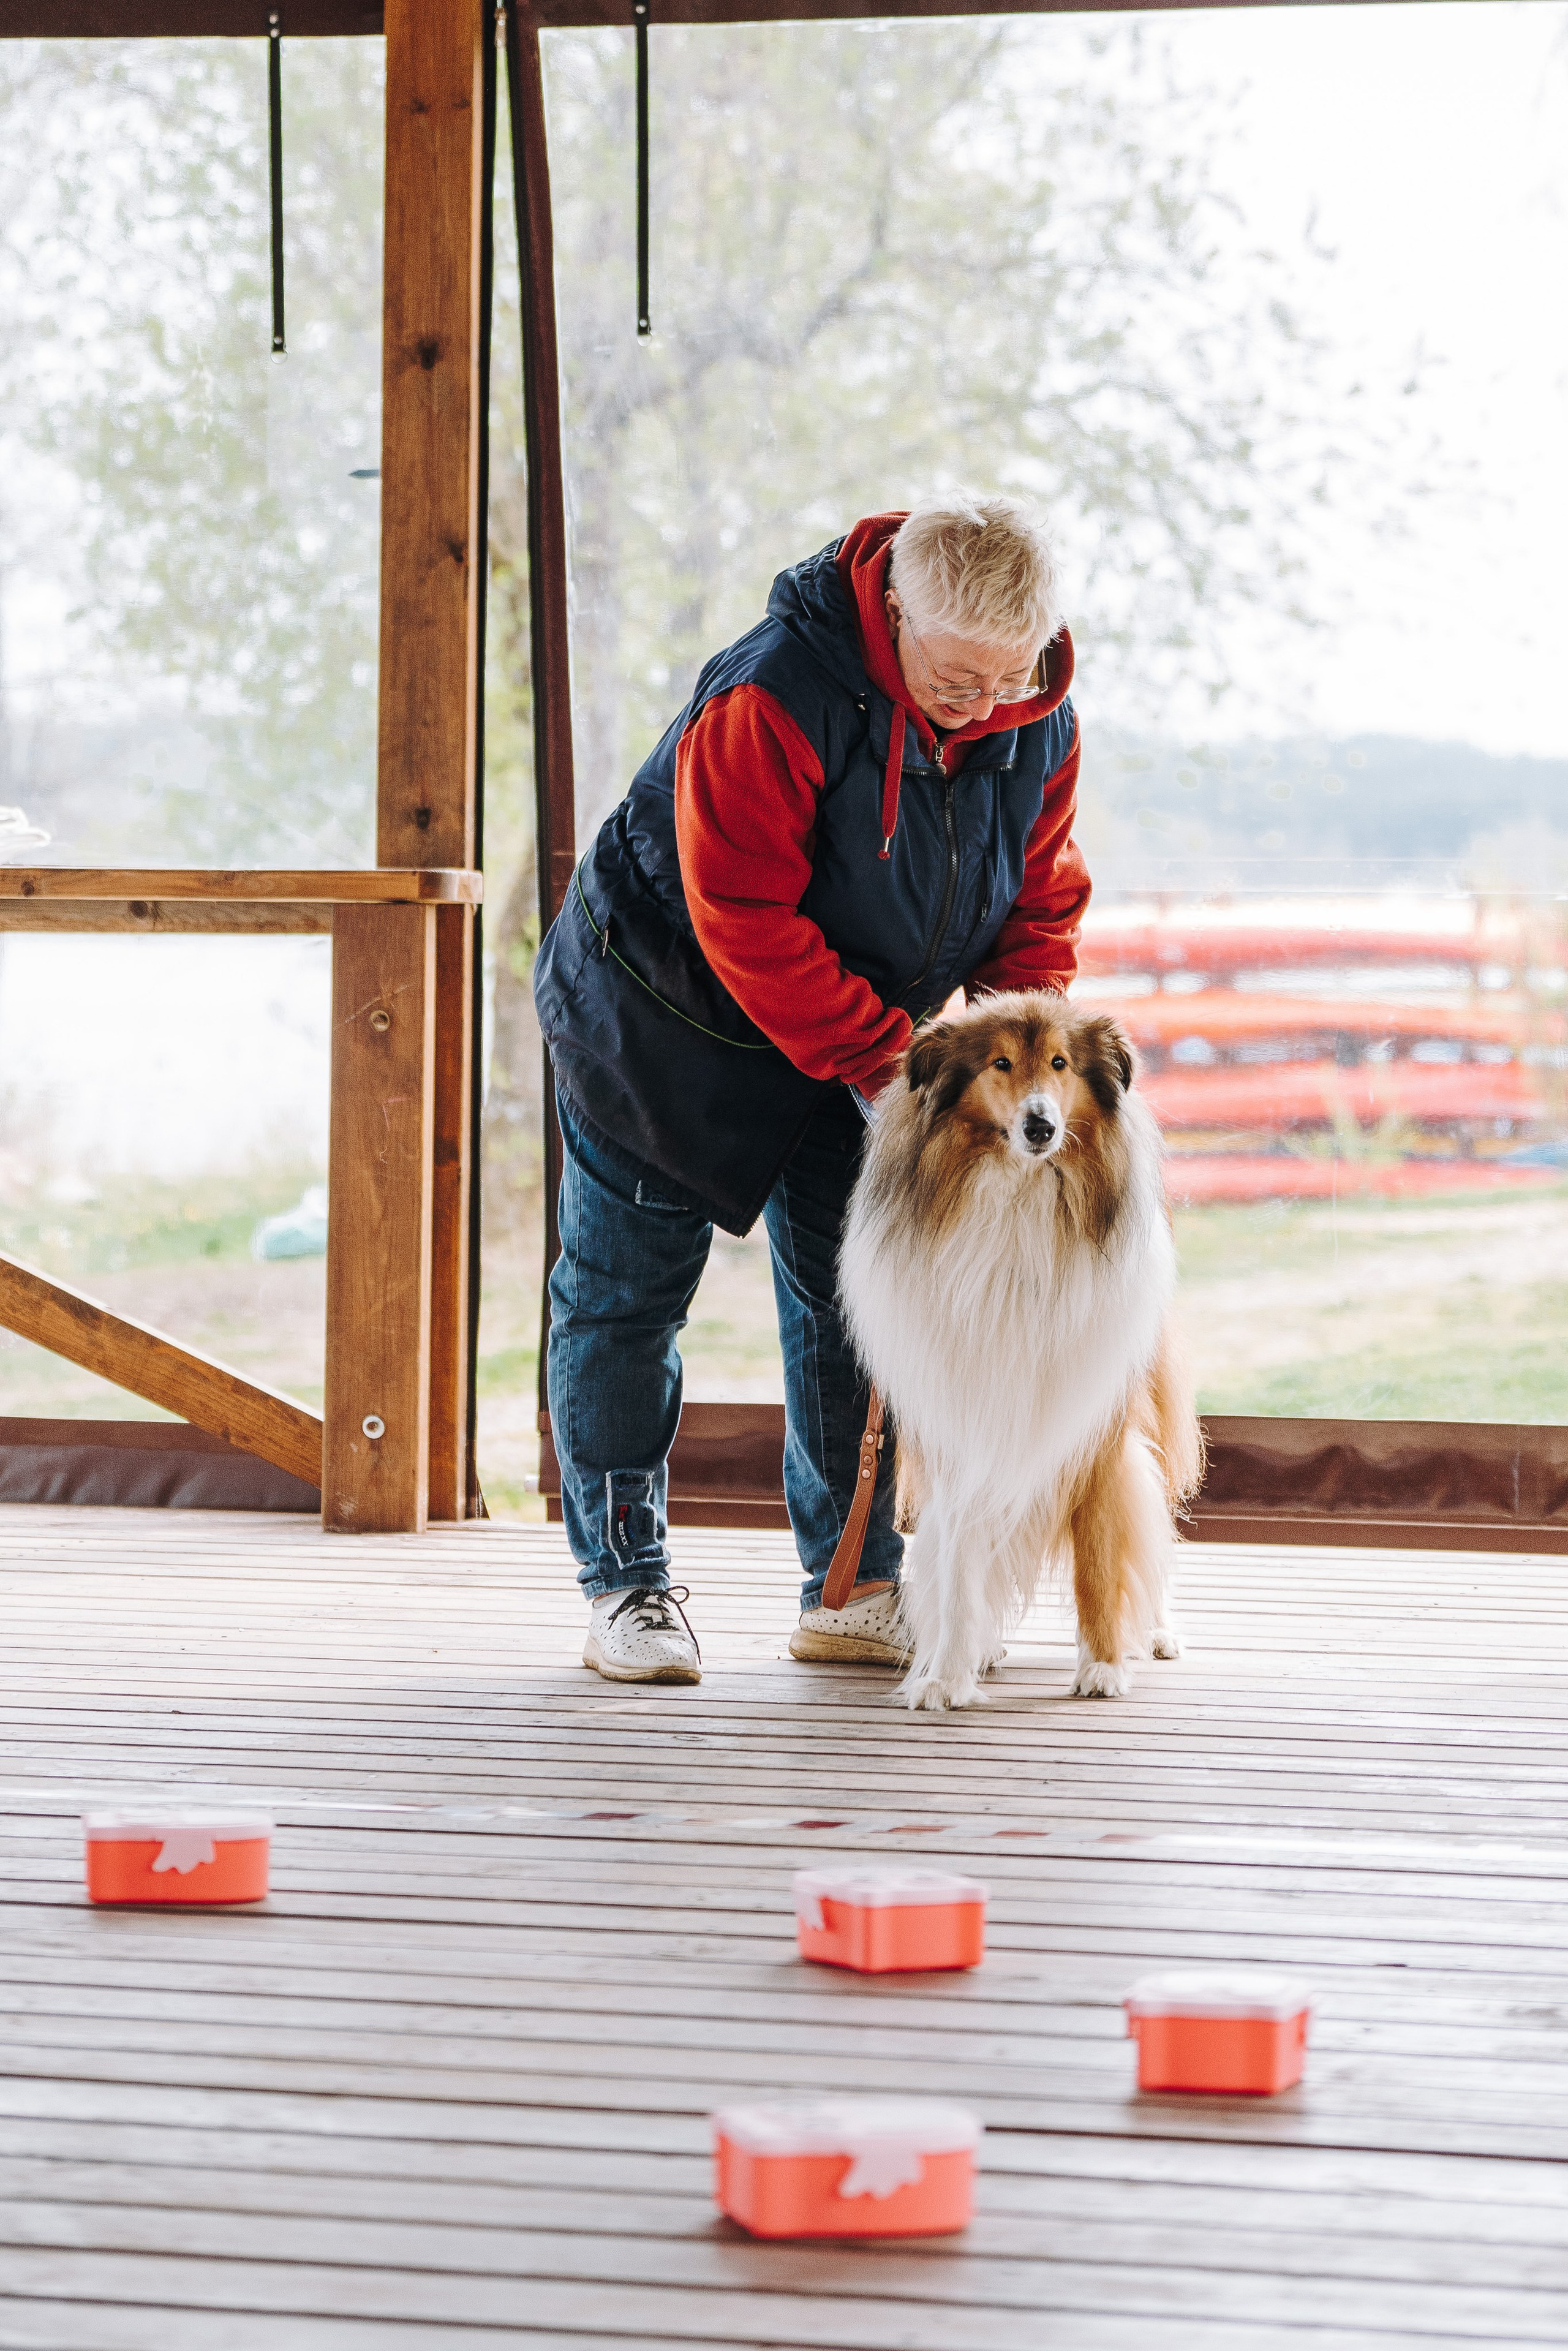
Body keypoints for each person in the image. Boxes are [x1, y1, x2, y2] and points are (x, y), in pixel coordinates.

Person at [533, 493, 1090, 1684]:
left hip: (855, 1030)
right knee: (625, 1298)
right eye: (956, 675)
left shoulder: (1034, 715)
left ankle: (848, 1588)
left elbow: (1037, 899)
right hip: (661, 1015)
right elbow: (743, 914)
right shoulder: (771, 693)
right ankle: (623, 1584)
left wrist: (1023, 1043)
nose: (982, 704)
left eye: (1009, 675)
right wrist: (898, 1067)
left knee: (863, 1303)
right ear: (893, 611)